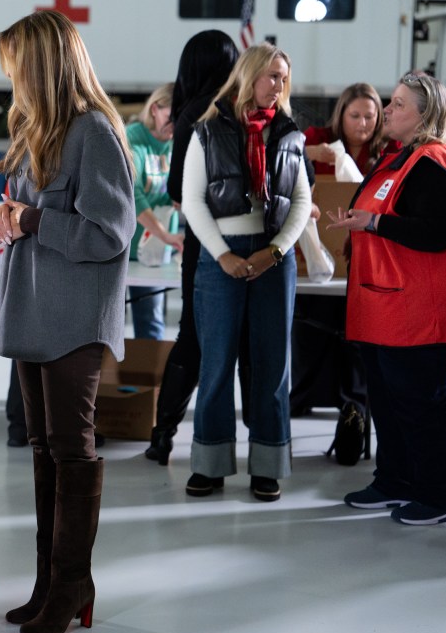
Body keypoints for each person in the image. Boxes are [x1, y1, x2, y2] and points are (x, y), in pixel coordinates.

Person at [0, 10, 135, 633]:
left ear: (43, 64)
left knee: (71, 450)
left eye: (17, 63)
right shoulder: (36, 130)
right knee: (45, 447)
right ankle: (52, 581)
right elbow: (31, 214)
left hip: (73, 316)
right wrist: (11, 220)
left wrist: (28, 222)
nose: (12, 77)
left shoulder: (93, 131)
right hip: (32, 307)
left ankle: (73, 581)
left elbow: (109, 232)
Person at [180, 42, 311, 502]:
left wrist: (274, 253)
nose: (278, 86)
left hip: (275, 259)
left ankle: (267, 466)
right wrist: (222, 255)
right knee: (216, 363)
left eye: (283, 78)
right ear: (249, 75)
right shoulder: (208, 131)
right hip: (222, 257)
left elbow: (301, 204)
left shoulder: (292, 135)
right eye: (271, 75)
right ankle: (210, 465)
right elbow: (192, 201)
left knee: (273, 366)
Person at [329, 71, 446, 525]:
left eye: (399, 104)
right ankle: (396, 480)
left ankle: (438, 495)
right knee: (388, 401)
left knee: (422, 406)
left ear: (426, 114)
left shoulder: (432, 162)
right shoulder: (397, 159)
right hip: (384, 309)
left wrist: (375, 225)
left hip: (416, 314)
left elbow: (440, 232)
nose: (388, 109)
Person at [144, 30, 240, 465]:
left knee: (192, 337)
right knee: (236, 339)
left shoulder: (187, 115)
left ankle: (162, 435)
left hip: (200, 243)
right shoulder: (231, 112)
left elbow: (176, 190)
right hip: (241, 239)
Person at [123, 82, 183, 340]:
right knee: (109, 326)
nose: (173, 128)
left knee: (151, 324)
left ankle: (146, 381)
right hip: (125, 249)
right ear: (155, 109)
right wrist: (166, 234)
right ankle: (115, 380)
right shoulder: (132, 138)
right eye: (170, 119)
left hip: (157, 253)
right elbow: (132, 194)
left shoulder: (177, 142)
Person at [305, 82, 390, 177]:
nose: (362, 123)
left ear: (378, 118)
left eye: (368, 117)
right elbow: (287, 157)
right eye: (355, 116)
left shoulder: (390, 147)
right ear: (341, 115)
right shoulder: (318, 138)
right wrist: (313, 152)